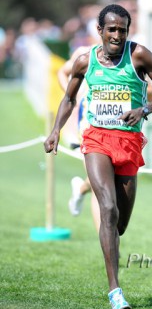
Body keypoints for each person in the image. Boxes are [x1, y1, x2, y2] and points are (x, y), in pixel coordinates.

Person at [44, 4, 152, 309]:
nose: (117, 35)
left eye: (122, 29)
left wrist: (144, 109)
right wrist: (55, 130)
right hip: (96, 139)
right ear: (100, 31)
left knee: (119, 225)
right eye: (112, 29)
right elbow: (67, 98)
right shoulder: (84, 61)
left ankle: (108, 239)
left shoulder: (139, 56)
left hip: (129, 142)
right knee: (107, 208)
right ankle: (115, 291)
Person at [57, 45, 100, 232]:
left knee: (105, 181)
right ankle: (106, 241)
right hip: (84, 127)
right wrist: (72, 95)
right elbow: (62, 71)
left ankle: (81, 188)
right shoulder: (84, 53)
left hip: (111, 130)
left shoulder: (128, 57)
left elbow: (149, 91)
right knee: (100, 186)